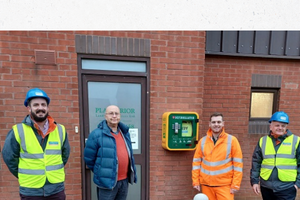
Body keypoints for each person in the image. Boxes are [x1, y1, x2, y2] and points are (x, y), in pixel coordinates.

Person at [2, 88, 70, 200]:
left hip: (56, 189)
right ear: (29, 108)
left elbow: (64, 155)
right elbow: (9, 158)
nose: (40, 108)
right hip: (30, 190)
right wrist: (24, 175)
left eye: (43, 104)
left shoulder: (60, 130)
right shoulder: (18, 130)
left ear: (47, 107)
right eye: (36, 105)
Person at [84, 105, 137, 200]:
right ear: (105, 116)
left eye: (116, 113)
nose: (114, 116)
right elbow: (89, 159)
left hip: (124, 181)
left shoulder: (125, 132)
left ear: (120, 116)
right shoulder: (96, 134)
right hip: (106, 183)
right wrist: (100, 172)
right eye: (111, 113)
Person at [192, 112, 243, 200]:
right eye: (214, 122)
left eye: (219, 122)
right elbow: (196, 163)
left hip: (224, 185)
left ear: (223, 123)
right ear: (209, 124)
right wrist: (195, 181)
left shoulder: (232, 140)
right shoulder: (202, 141)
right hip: (206, 185)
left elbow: (238, 165)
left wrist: (236, 184)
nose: (216, 124)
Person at [250, 111, 300, 200]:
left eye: (283, 126)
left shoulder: (296, 141)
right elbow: (256, 163)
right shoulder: (263, 141)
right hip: (266, 187)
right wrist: (255, 182)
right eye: (277, 125)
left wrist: (297, 185)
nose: (280, 128)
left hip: (287, 188)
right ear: (271, 126)